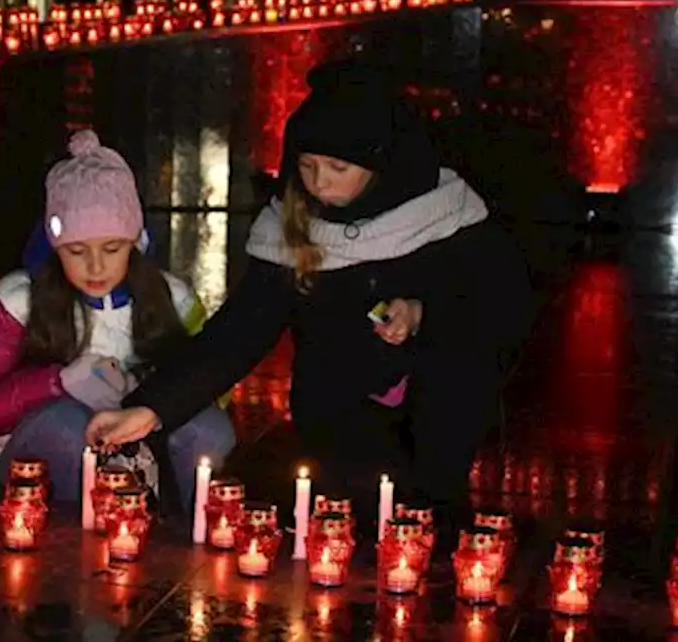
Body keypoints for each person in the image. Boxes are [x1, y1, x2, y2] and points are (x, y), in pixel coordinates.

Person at [86, 61, 531, 530]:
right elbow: (237, 335)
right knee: (334, 526)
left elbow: (503, 309)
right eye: (307, 166)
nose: (319, 183)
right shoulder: (291, 225)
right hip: (337, 418)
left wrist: (423, 314)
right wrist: (152, 408)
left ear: (381, 162)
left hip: (438, 415)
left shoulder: (445, 215)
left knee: (423, 523)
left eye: (338, 168)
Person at [0, 129, 236, 511]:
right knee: (66, 426)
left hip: (143, 448)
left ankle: (178, 535)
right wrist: (55, 383)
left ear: (136, 242)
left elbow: (217, 385)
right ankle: (65, 544)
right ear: (54, 244)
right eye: (77, 251)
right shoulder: (16, 302)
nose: (95, 267)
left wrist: (148, 390)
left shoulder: (173, 298)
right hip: (46, 449)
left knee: (209, 429)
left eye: (112, 249)